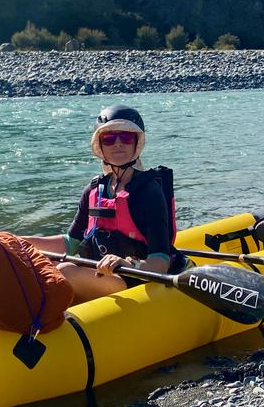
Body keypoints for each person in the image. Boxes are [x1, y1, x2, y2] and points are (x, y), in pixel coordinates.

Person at [22, 104, 177, 302]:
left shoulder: (149, 192)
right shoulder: (94, 190)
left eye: (126, 137)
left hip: (137, 280)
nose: (118, 144)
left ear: (137, 143)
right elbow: (70, 244)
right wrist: (19, 241)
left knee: (66, 271)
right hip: (103, 277)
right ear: (100, 145)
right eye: (109, 139)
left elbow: (160, 262)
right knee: (47, 263)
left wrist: (128, 265)